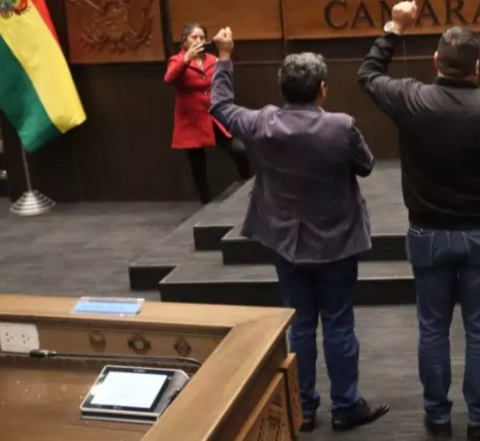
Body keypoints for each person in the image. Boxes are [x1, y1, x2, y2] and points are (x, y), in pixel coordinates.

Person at [356, 2, 480, 440]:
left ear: (436, 61)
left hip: (427, 233)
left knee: (432, 329)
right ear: (477, 68)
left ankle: (437, 417)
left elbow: (367, 75)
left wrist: (395, 27)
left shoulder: (411, 97)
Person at [208, 28, 388, 433]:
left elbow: (219, 105)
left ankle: (302, 408)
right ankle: (346, 406)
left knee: (301, 325)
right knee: (339, 324)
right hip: (337, 241)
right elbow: (367, 165)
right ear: (323, 90)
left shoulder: (262, 123)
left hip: (285, 242)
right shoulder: (341, 127)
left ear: (282, 88)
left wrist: (224, 56)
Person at [163, 22, 250, 204]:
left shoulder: (212, 59)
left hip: (212, 116)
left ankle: (249, 186)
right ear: (184, 41)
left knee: (238, 149)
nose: (198, 41)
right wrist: (186, 58)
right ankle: (206, 203)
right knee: (198, 166)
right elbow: (169, 78)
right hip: (191, 120)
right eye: (194, 37)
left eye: (202, 37)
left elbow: (224, 79)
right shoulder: (177, 60)